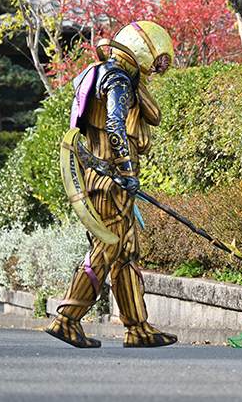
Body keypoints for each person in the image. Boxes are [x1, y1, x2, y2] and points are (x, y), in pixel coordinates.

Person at [47, 21, 177, 348]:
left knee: (125, 252)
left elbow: (148, 115)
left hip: (108, 177)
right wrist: (128, 171)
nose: (157, 67)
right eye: (155, 58)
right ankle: (66, 319)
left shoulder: (105, 74)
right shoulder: (117, 79)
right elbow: (116, 126)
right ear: (142, 52)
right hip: (110, 179)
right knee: (107, 247)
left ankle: (137, 327)